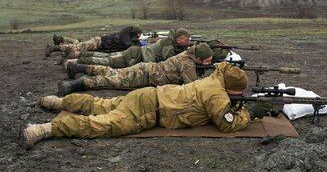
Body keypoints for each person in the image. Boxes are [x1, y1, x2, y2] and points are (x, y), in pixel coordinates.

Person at [22, 62, 271, 149]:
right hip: (150, 111)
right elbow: (226, 124)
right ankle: (44, 129)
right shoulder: (217, 95)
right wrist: (250, 114)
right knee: (101, 125)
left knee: (101, 104)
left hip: (148, 95)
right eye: (239, 92)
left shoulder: (214, 78)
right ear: (230, 87)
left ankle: (56, 102)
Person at [58, 44, 214, 95]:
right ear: (199, 58)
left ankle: (78, 67)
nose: (208, 63)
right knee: (113, 80)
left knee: (112, 72)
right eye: (206, 61)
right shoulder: (187, 63)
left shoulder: (188, 53)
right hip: (145, 76)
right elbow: (193, 86)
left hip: (146, 68)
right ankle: (74, 85)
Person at [65, 28, 191, 69]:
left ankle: (77, 57)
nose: (187, 41)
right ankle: (74, 62)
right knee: (108, 61)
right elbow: (169, 58)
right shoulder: (167, 42)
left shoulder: (172, 42)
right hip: (135, 56)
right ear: (178, 38)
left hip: (135, 54)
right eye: (185, 39)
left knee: (106, 58)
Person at [45, 26, 143, 59]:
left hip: (101, 46)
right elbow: (128, 45)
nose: (139, 36)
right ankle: (53, 48)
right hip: (98, 42)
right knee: (78, 46)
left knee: (78, 46)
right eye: (138, 34)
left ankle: (61, 43)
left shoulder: (129, 36)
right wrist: (138, 42)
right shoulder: (125, 34)